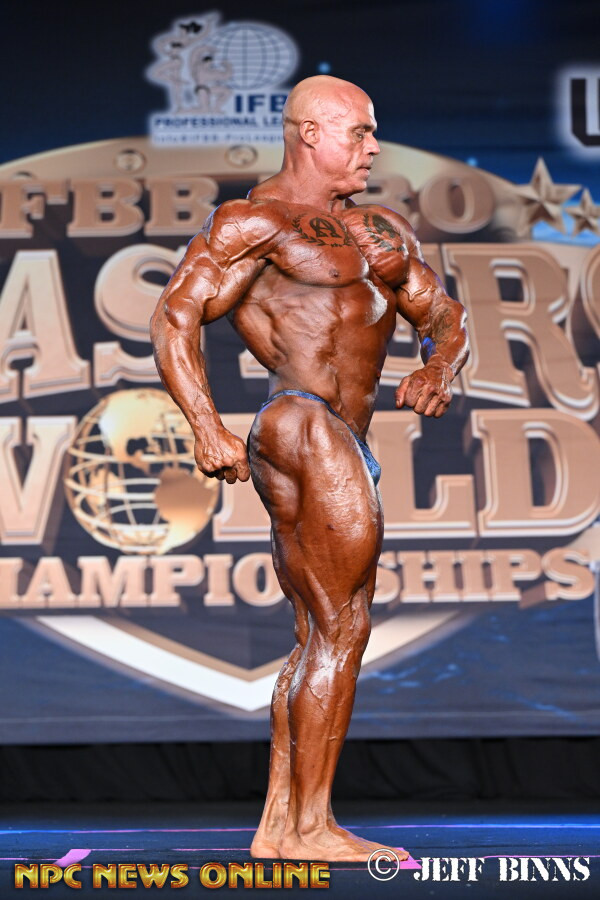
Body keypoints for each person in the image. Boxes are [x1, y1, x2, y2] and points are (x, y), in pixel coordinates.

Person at [150, 75, 469, 862]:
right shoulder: (254, 222)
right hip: (299, 422)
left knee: (317, 633)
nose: (373, 147)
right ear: (310, 134)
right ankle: (313, 828)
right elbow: (176, 315)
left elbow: (444, 315)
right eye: (360, 132)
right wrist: (205, 426)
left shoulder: (380, 230)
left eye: (372, 132)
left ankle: (280, 826)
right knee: (342, 626)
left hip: (344, 437)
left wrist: (438, 366)